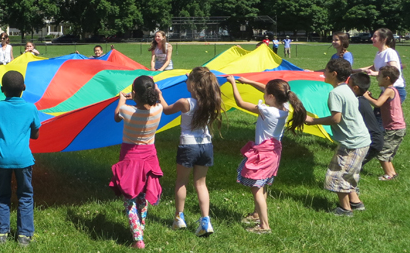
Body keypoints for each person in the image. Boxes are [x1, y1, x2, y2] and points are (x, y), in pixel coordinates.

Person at [227, 75, 307, 233]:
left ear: (271, 97)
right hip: (273, 153)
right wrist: (248, 82)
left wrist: (233, 84)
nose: (263, 95)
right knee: (261, 186)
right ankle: (257, 214)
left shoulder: (267, 111)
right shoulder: (285, 107)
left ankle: (264, 225)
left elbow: (240, 103)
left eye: (266, 94)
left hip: (262, 154)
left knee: (257, 188)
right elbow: (267, 90)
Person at [159, 67, 224, 237]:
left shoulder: (185, 102)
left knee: (181, 182)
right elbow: (199, 88)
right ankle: (205, 221)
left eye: (189, 81)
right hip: (206, 146)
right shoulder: (212, 102)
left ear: (194, 85)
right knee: (201, 184)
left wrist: (159, 94)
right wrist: (192, 78)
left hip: (188, 146)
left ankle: (179, 218)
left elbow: (166, 109)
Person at [305, 59, 370, 217]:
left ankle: (345, 209)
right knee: (350, 173)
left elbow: (336, 119)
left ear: (334, 74)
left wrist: (312, 121)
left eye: (325, 70)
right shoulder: (347, 89)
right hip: (361, 140)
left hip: (352, 143)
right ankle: (355, 202)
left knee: (338, 174)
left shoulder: (335, 93)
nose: (323, 73)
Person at [0, 70, 40, 246]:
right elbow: (35, 135)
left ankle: (1, 233)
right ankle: (24, 236)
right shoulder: (31, 108)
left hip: (2, 159)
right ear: (24, 87)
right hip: (24, 160)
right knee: (25, 194)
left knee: (2, 194)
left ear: (2, 89)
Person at [109, 75, 163, 249]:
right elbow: (155, 102)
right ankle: (140, 229)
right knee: (143, 196)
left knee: (129, 198)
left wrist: (121, 99)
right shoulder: (158, 110)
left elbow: (117, 116)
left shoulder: (127, 110)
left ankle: (138, 238)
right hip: (149, 158)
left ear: (134, 93)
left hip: (130, 159)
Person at [363, 66, 405, 181]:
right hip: (396, 127)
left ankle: (389, 175)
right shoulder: (391, 90)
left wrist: (366, 96)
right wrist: (371, 97)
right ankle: (392, 173)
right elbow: (379, 102)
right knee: (387, 152)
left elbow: (378, 104)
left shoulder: (389, 90)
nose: (377, 78)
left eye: (379, 76)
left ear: (386, 78)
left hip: (394, 128)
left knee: (383, 152)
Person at [355, 28, 405, 103]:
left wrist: (375, 73)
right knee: (380, 113)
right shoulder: (379, 53)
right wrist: (356, 70)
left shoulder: (390, 52)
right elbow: (374, 67)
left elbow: (394, 70)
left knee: (382, 113)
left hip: (395, 89)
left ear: (384, 39)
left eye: (375, 36)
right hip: (386, 89)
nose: (371, 38)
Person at [348, 73, 384, 168]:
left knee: (351, 166)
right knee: (351, 165)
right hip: (373, 139)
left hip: (372, 141)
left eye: (348, 85)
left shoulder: (358, 103)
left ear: (355, 88)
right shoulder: (361, 99)